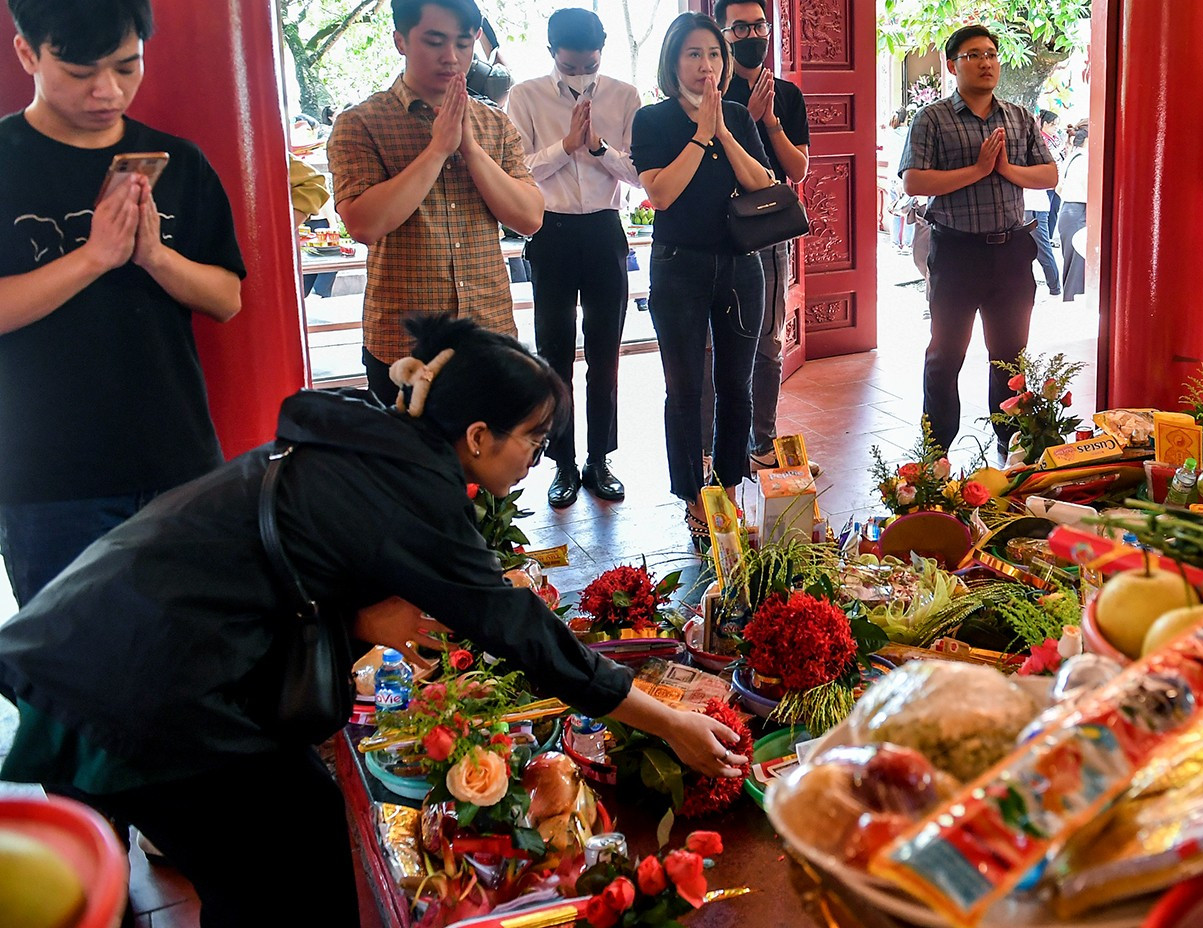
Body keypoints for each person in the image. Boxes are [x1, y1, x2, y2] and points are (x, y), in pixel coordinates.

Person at [0, 315, 745, 928]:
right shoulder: (413, 498)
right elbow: (525, 633)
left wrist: (356, 616)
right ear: (479, 435)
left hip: (108, 631)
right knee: (289, 866)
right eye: (533, 440)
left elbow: (299, 553)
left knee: (276, 848)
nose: (536, 458)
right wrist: (670, 723)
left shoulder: (370, 435)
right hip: (140, 673)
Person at [0, 0, 245, 607]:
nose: (107, 90)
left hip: (179, 461)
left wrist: (155, 257)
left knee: (189, 655)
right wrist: (93, 257)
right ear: (28, 51)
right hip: (50, 476)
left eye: (127, 66)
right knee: (71, 676)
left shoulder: (181, 162)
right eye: (81, 72)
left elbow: (226, 299)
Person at [329, 0, 545, 407]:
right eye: (435, 41)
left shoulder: (494, 124)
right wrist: (437, 148)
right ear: (400, 41)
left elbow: (529, 218)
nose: (452, 58)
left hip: (489, 332)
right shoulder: (361, 123)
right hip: (403, 345)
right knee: (408, 472)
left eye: (464, 45)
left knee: (493, 467)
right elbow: (365, 225)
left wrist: (469, 147)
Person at [631, 12, 776, 536]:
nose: (706, 65)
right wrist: (698, 136)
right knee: (685, 387)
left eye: (714, 54)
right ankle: (693, 495)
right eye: (694, 54)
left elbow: (762, 184)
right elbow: (662, 194)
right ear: (673, 62)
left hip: (740, 264)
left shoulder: (736, 114)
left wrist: (722, 132)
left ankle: (730, 489)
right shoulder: (652, 121)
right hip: (679, 266)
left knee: (737, 384)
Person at [504, 8, 644, 510]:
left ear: (602, 51)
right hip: (550, 232)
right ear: (551, 55)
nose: (582, 74)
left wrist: (599, 148)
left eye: (590, 64)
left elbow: (641, 175)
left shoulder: (624, 96)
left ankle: (600, 459)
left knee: (605, 354)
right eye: (571, 66)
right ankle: (561, 463)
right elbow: (514, 171)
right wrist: (565, 147)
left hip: (606, 231)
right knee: (554, 353)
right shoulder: (524, 96)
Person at [901, 25, 1058, 454]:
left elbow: (1048, 174)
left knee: (1009, 357)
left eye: (991, 53)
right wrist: (977, 169)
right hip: (956, 253)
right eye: (973, 55)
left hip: (1010, 252)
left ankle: (1010, 439)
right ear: (953, 65)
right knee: (945, 355)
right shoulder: (932, 118)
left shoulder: (1019, 117)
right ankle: (936, 449)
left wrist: (1005, 169)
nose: (986, 62)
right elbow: (914, 180)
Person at [701, 0, 810, 469]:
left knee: (768, 340)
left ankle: (761, 444)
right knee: (712, 343)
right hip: (714, 234)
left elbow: (799, 169)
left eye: (759, 26)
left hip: (767, 233)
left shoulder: (785, 93)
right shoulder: (710, 94)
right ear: (723, 35)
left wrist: (769, 123)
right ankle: (710, 449)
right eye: (739, 27)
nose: (752, 35)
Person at [1023, 108, 1062, 296]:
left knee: (1042, 249)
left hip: (1035, 205)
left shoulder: (1041, 147)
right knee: (1023, 253)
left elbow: (1050, 177)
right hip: (1027, 205)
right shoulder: (1034, 145)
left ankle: (1055, 288)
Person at [1055, 121, 1090, 302]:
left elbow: (1058, 188)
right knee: (1078, 269)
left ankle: (1068, 304)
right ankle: (1072, 309)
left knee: (1071, 266)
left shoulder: (1072, 156)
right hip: (1080, 212)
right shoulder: (1086, 159)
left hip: (1067, 211)